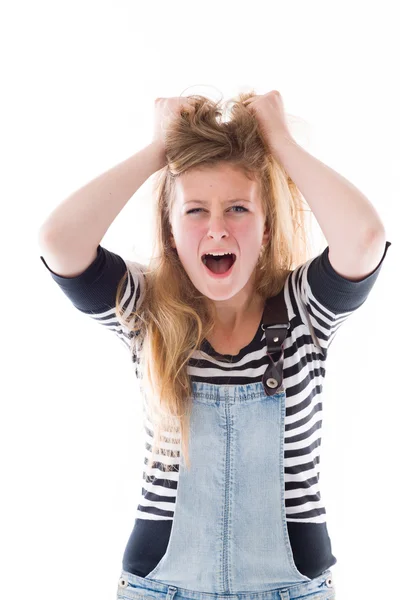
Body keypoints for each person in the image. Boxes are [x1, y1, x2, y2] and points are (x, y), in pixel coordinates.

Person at [38, 92, 391, 599]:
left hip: (291, 590)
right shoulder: (147, 311)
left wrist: (281, 143)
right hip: (162, 589)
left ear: (266, 230)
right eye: (196, 211)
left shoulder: (303, 310)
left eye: (239, 208)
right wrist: (158, 149)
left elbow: (365, 237)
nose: (218, 227)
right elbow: (59, 240)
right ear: (172, 230)